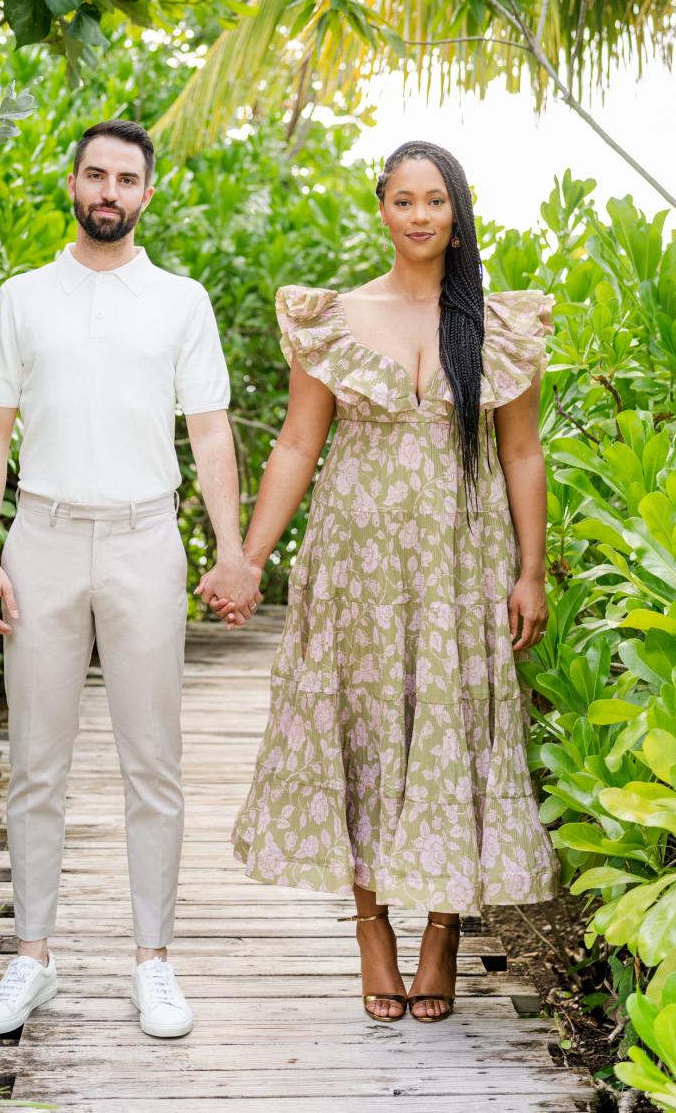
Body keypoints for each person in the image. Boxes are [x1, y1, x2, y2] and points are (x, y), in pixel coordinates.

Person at [224, 139, 559, 1023]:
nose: (420, 216)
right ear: (382, 209)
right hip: (355, 565)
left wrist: (530, 570)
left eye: (436, 201)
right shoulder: (335, 318)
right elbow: (299, 443)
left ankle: (442, 931)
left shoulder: (497, 322)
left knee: (451, 724)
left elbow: (520, 453)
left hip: (461, 564)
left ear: (459, 213)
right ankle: (371, 925)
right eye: (404, 200)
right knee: (365, 728)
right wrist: (249, 557)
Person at [0, 118, 261, 1040]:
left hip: (145, 540)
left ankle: (153, 962)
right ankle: (33, 959)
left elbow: (210, 433)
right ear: (72, 183)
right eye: (95, 174)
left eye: (126, 179)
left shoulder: (180, 301)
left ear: (146, 193)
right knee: (35, 766)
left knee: (154, 765)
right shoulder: (22, 298)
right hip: (43, 538)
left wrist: (232, 549)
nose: (109, 191)